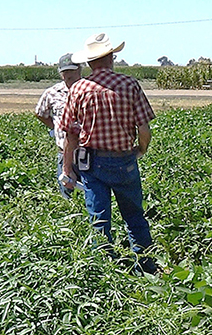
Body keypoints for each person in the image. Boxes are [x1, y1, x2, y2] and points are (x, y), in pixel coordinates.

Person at [59, 33, 157, 274]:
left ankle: (104, 272)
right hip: (124, 160)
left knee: (100, 220)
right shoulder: (130, 84)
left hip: (93, 163)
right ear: (112, 57)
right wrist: (140, 150)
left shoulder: (79, 88)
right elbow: (144, 128)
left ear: (90, 62)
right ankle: (146, 269)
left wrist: (66, 169)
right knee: (134, 217)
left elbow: (70, 134)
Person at [35, 53, 83, 197]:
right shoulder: (52, 93)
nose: (69, 75)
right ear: (60, 73)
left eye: (72, 71)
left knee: (91, 196)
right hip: (64, 152)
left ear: (79, 70)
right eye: (65, 72)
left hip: (89, 153)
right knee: (67, 194)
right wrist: (55, 127)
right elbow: (40, 113)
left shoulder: (90, 90)